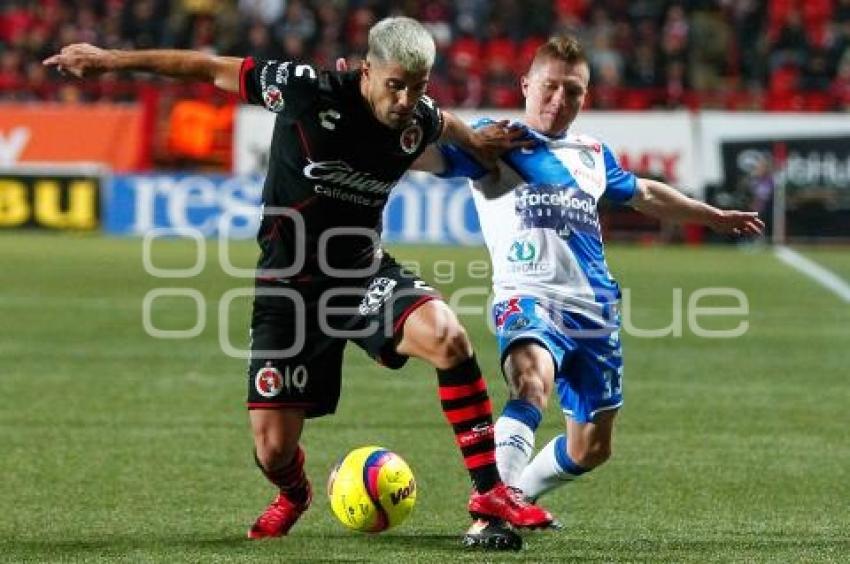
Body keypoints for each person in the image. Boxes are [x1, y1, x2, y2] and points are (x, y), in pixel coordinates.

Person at [44, 17, 556, 550]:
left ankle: (489, 491)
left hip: (361, 275)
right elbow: (208, 68)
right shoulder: (305, 91)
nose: (407, 99)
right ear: (366, 71)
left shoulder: (417, 119)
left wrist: (478, 140)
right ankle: (294, 493)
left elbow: (442, 121)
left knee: (449, 338)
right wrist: (109, 60)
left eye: (418, 87)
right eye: (396, 85)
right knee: (272, 451)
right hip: (288, 290)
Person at [416, 35, 764, 512]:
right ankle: (490, 509)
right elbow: (423, 156)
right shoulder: (491, 140)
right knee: (530, 383)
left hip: (595, 310)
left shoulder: (592, 154)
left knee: (591, 448)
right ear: (526, 85)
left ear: (586, 96)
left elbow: (645, 193)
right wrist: (378, 128)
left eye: (573, 91)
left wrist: (712, 216)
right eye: (550, 87)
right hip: (528, 296)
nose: (560, 100)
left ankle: (519, 493)